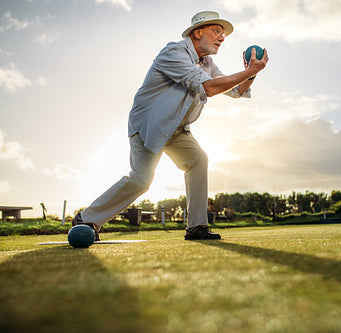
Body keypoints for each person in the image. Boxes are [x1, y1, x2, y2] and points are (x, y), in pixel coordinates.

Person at [72, 11, 269, 240]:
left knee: (198, 160)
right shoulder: (173, 52)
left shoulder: (207, 62)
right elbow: (207, 88)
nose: (222, 38)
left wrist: (251, 74)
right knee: (141, 180)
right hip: (150, 126)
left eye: (222, 34)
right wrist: (248, 72)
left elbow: (235, 91)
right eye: (216, 31)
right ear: (197, 32)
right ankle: (86, 219)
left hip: (177, 130)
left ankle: (197, 227)